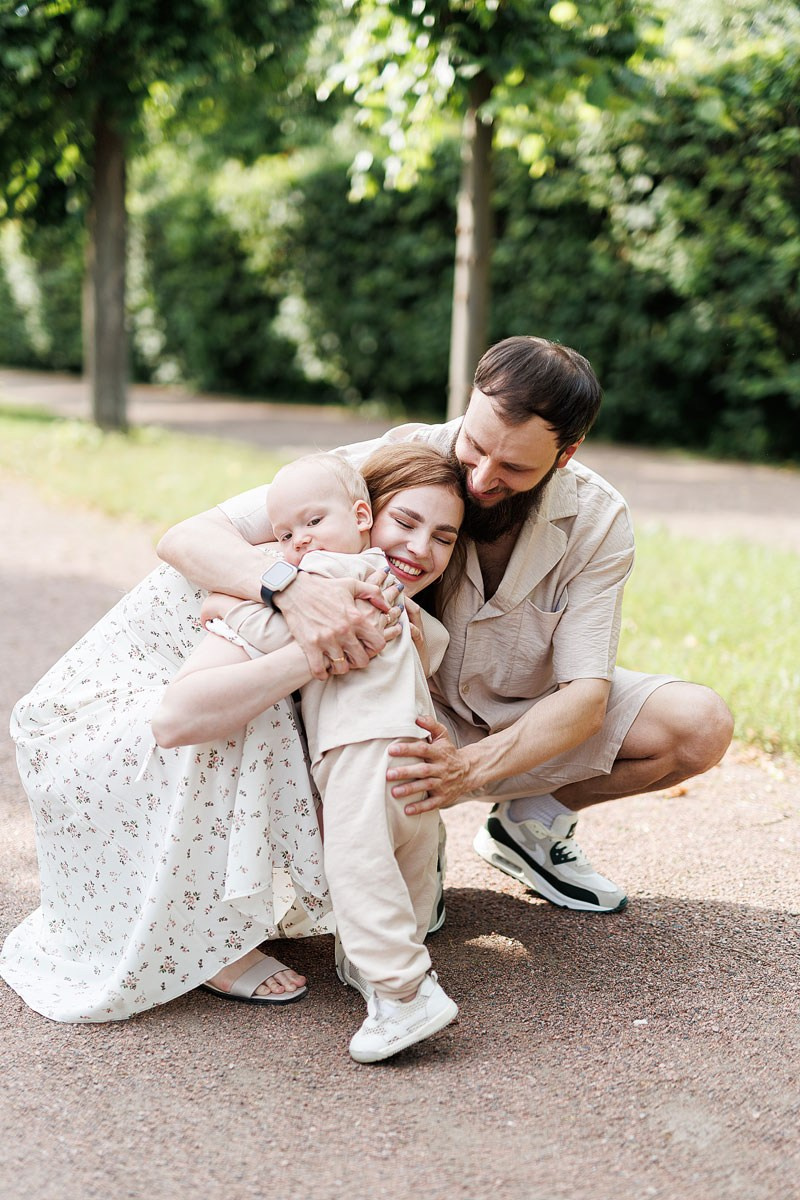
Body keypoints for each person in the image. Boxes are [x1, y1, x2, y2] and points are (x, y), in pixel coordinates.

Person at [157, 335, 734, 917]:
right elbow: (187, 537)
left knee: (699, 725)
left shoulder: (599, 520)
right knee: (380, 864)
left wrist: (468, 770)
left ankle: (529, 824)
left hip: (524, 717)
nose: (482, 478)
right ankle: (416, 833)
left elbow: (585, 698)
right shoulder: (396, 459)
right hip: (402, 714)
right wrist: (291, 585)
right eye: (476, 446)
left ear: (567, 454)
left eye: (513, 467)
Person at [1, 476, 407, 1022]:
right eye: (289, 531)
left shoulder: (361, 567)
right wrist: (314, 653)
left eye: (443, 537)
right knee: (249, 720)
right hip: (93, 720)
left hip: (172, 692)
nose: (301, 539)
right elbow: (177, 718)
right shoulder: (304, 571)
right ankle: (207, 936)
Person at [153, 446, 464, 1062]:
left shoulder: (329, 577)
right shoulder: (385, 582)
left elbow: (282, 631)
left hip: (360, 753)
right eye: (286, 533)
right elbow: (430, 647)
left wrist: (229, 607)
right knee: (404, 870)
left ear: (359, 516)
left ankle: (405, 995)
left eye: (312, 524)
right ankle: (372, 966)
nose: (297, 543)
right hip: (411, 753)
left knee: (358, 867)